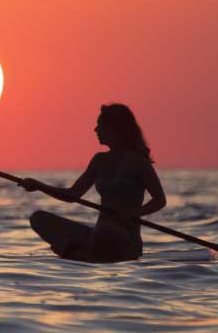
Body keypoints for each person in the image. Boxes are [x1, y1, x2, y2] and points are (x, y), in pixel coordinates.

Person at [23, 103, 167, 262]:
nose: (96, 130)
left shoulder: (138, 162)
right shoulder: (99, 161)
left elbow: (160, 200)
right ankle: (81, 252)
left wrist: (133, 214)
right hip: (97, 235)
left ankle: (77, 253)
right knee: (38, 218)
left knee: (106, 228)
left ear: (115, 128)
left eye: (100, 125)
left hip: (126, 240)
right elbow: (72, 195)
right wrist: (39, 186)